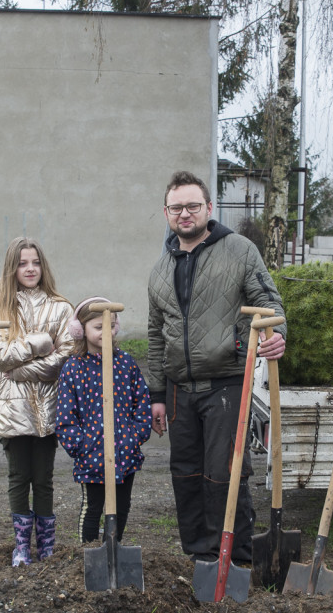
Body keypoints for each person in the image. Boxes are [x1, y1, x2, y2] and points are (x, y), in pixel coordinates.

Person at [147, 170, 286, 564]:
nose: (185, 214)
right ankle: (200, 559)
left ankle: (236, 560)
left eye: (193, 206)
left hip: (226, 382)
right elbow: (157, 336)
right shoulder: (160, 270)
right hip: (178, 392)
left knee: (224, 474)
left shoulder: (239, 250)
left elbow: (269, 301)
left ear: (209, 208)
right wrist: (157, 395)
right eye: (177, 208)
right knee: (186, 476)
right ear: (166, 213)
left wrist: (277, 334)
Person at [0, 238, 73, 566]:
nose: (30, 268)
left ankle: (46, 545)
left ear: (42, 265)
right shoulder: (0, 305)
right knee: (19, 476)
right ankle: (22, 545)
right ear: (13, 267)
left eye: (35, 262)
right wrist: (40, 342)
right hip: (13, 408)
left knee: (44, 477)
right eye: (22, 263)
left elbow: (65, 356)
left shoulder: (60, 307)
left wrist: (22, 369)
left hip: (49, 407)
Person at [55, 297, 152, 543]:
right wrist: (81, 445)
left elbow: (141, 400)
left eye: (110, 326)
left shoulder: (125, 363)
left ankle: (114, 551)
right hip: (92, 455)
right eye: (98, 327)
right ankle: (87, 555)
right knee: (93, 508)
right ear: (81, 330)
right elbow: (66, 416)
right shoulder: (74, 368)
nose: (105, 332)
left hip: (124, 451)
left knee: (122, 507)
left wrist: (135, 436)